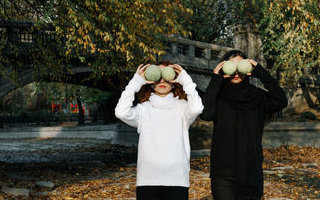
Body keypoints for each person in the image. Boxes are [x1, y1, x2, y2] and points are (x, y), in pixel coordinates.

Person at [201, 50, 288, 200]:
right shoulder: (218, 96)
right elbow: (206, 114)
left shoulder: (257, 97)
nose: (235, 71)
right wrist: (216, 78)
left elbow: (281, 100)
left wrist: (261, 72)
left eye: (240, 65)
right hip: (223, 173)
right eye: (231, 66)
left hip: (250, 170)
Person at [115, 61, 203, 200]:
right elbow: (121, 112)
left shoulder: (183, 108)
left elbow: (198, 108)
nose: (162, 80)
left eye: (167, 76)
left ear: (174, 81)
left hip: (177, 179)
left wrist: (186, 80)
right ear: (150, 81)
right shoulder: (143, 109)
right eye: (158, 76)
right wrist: (135, 83)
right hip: (148, 179)